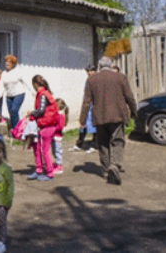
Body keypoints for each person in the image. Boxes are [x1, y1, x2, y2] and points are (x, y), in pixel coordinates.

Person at [80, 57, 137, 185]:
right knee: (117, 141)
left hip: (100, 117)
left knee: (103, 143)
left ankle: (107, 168)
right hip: (117, 116)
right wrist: (134, 111)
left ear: (99, 67)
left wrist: (82, 120)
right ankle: (114, 165)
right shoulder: (120, 77)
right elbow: (129, 96)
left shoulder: (91, 79)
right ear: (111, 66)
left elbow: (86, 102)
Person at [26, 75, 59, 181]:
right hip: (47, 125)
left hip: (46, 125)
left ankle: (49, 173)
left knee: (44, 150)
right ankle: (38, 170)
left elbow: (41, 110)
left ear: (35, 85)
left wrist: (31, 113)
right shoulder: (46, 93)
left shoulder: (42, 95)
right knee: (38, 148)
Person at [0, 56, 32, 131]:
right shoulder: (4, 73)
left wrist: (33, 91)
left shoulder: (18, 72)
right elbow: (2, 87)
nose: (7, 63)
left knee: (14, 110)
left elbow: (26, 81)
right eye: (6, 61)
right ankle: (14, 130)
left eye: (9, 62)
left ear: (13, 64)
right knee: (11, 113)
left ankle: (17, 130)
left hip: (19, 94)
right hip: (9, 96)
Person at [71, 65, 98, 154]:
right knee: (83, 125)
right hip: (88, 105)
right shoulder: (88, 80)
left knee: (94, 126)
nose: (89, 73)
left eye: (91, 71)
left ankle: (95, 144)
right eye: (88, 71)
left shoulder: (98, 80)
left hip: (95, 105)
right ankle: (79, 143)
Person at [52, 98, 68, 175]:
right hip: (53, 136)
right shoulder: (56, 114)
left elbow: (60, 126)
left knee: (57, 151)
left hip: (57, 137)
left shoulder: (61, 115)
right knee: (54, 151)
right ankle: (56, 163)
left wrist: (52, 128)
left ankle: (59, 166)